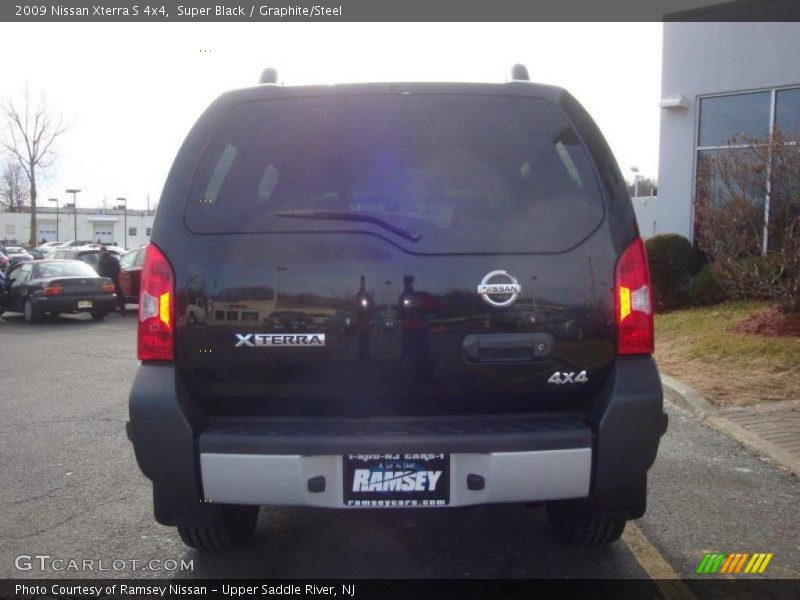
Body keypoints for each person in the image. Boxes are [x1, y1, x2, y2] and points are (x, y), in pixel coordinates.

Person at [97, 246, 126, 315]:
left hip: (106, 281)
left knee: (105, 296)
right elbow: (118, 270)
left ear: (103, 251)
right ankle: (123, 308)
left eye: (100, 252)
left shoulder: (102, 260)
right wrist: (115, 276)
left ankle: (105, 311)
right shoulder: (114, 259)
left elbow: (100, 272)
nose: (99, 254)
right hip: (115, 280)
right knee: (118, 295)